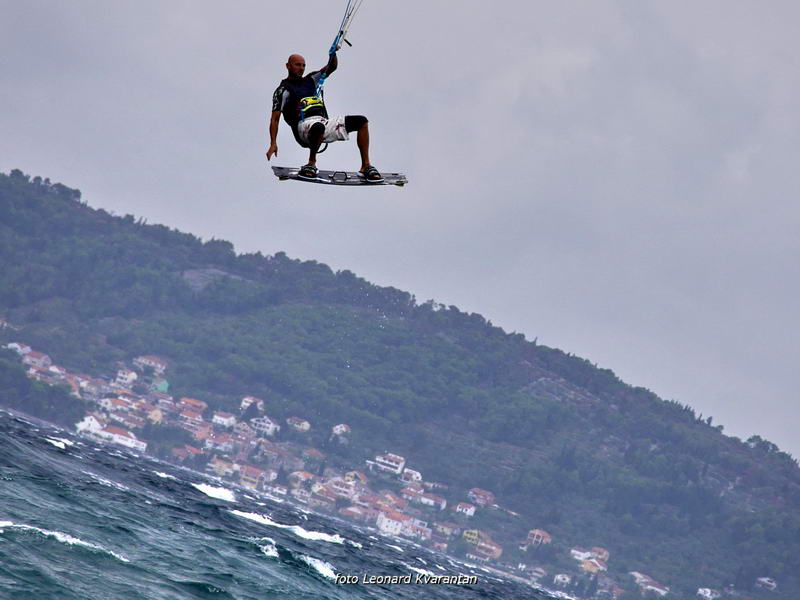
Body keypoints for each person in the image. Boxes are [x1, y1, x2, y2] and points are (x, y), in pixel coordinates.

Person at [266, 51, 383, 182]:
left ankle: (366, 166)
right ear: (288, 66)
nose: (301, 68)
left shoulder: (311, 79)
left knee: (361, 121)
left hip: (323, 121)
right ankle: (311, 163)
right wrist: (273, 143)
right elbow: (275, 119)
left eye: (303, 65)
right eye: (297, 65)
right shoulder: (283, 90)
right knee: (318, 127)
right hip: (303, 127)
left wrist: (333, 53)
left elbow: (331, 67)